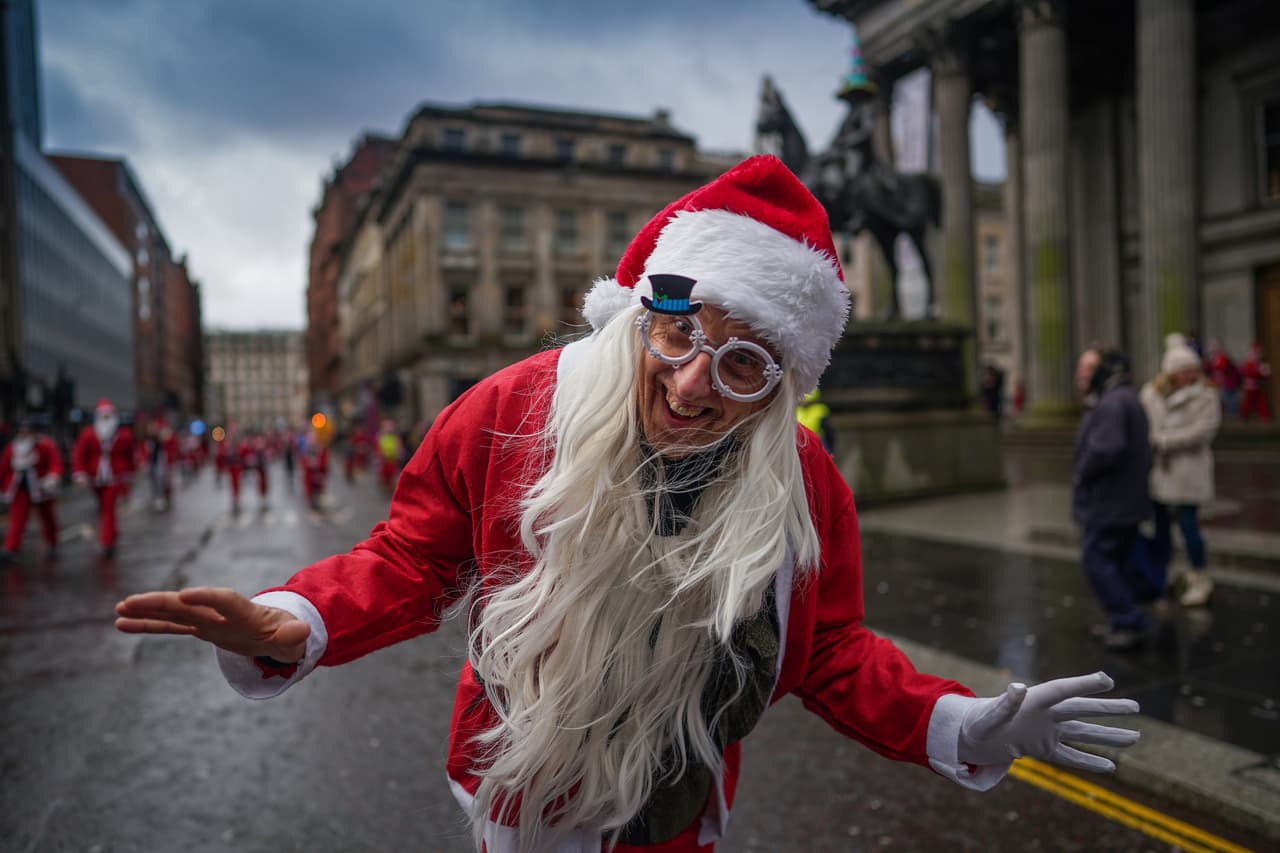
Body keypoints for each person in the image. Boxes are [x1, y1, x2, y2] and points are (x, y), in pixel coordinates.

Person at [114, 156, 1140, 853]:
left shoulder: (804, 481)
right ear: (643, 314)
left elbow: (824, 650)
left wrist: (957, 723)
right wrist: (290, 622)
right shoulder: (514, 408)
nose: (694, 383)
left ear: (781, 383)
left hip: (679, 804)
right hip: (515, 788)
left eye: (742, 363)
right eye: (680, 333)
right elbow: (412, 557)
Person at [1073, 346, 1153, 651]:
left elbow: (1105, 449)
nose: (1083, 375)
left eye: (1089, 368)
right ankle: (1123, 618)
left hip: (1109, 503)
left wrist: (1083, 473)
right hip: (1121, 501)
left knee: (1097, 560)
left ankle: (1128, 619)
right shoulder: (1122, 397)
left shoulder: (1112, 401)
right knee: (1115, 562)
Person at [1141, 339, 1221, 608]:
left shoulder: (1206, 395)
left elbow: (1203, 432)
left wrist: (1163, 441)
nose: (1191, 373)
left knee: (1189, 527)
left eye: (1193, 368)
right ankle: (1162, 574)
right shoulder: (1151, 395)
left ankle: (1199, 576)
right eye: (1185, 369)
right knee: (1161, 528)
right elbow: (1145, 426)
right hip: (1162, 472)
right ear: (1171, 372)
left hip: (1188, 472)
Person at [72, 399, 136, 557]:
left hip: (114, 477)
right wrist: (80, 473)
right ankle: (112, 535)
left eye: (109, 415)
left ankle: (106, 542)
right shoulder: (88, 434)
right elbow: (79, 455)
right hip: (95, 478)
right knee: (104, 508)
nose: (106, 418)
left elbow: (129, 456)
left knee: (108, 508)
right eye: (103, 415)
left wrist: (129, 474)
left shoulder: (124, 435)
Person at [1, 417, 63, 561]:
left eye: (27, 431)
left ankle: (52, 544)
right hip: (19, 489)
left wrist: (52, 477)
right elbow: (3, 468)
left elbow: (55, 463)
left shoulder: (45, 445)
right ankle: (11, 547)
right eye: (22, 431)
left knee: (48, 518)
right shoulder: (12, 448)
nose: (24, 433)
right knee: (17, 519)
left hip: (41, 487)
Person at [1203, 339, 1240, 419]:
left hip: (1226, 384)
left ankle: (1232, 417)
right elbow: (1208, 370)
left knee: (1228, 401)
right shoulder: (1211, 359)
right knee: (1216, 401)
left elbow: (1230, 370)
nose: (1213, 349)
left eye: (1215, 346)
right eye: (1213, 346)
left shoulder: (1225, 358)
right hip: (1216, 383)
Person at [1238, 342, 1272, 421]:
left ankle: (1264, 416)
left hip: (1256, 386)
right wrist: (1261, 371)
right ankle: (1243, 416)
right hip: (1250, 386)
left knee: (1260, 401)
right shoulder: (1249, 363)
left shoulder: (1256, 363)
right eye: (1257, 352)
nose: (1259, 355)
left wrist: (1263, 371)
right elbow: (1251, 373)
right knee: (1248, 402)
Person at [795, 387, 833, 452]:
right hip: (800, 441)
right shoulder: (796, 411)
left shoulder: (820, 410)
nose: (804, 402)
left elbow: (827, 431)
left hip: (817, 439)